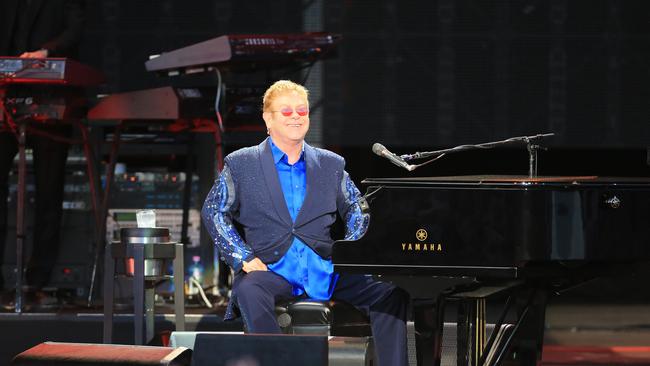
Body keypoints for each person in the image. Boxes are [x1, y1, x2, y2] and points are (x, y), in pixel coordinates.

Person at [202, 80, 409, 366]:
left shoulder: (331, 164)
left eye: (302, 111)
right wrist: (243, 257)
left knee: (391, 296)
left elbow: (358, 209)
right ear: (268, 118)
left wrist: (349, 250)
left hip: (325, 268)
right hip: (273, 269)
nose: (296, 116)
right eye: (286, 112)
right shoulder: (241, 164)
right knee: (249, 289)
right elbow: (214, 211)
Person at [0, 0, 86, 304]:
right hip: (6, 97)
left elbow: (75, 29)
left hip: (50, 99)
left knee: (49, 192)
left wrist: (44, 54)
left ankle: (36, 281)